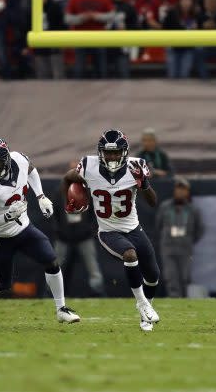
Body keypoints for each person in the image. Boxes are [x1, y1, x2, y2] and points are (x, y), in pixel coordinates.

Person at [0, 137, 81, 327]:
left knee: (51, 260)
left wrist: (40, 196)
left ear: (6, 158)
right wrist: (6, 217)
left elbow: (31, 169)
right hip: (2, 236)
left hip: (24, 229)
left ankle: (61, 309)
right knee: (2, 283)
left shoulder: (19, 160)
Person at [62, 129, 160, 331]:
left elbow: (153, 202)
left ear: (124, 152)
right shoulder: (89, 166)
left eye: (116, 153)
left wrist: (143, 184)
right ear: (101, 153)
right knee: (130, 255)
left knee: (153, 275)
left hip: (134, 228)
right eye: (108, 153)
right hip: (108, 231)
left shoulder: (136, 166)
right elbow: (67, 178)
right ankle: (142, 305)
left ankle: (145, 313)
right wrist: (70, 201)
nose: (112, 157)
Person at [51, 161, 104, 296]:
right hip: (64, 236)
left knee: (93, 267)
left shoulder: (88, 192)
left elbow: (95, 214)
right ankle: (52, 293)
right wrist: (59, 231)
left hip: (84, 236)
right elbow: (54, 214)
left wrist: (89, 230)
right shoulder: (60, 192)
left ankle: (99, 292)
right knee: (57, 265)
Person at [156, 176, 202, 298]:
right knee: (170, 276)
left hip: (185, 248)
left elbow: (199, 229)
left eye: (184, 189)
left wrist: (189, 240)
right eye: (178, 188)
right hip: (168, 247)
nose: (180, 191)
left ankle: (184, 300)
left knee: (185, 277)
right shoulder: (165, 206)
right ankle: (174, 299)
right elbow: (158, 225)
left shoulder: (193, 209)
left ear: (188, 192)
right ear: (174, 190)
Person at [64, 0, 114, 79]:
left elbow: (111, 16)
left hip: (99, 37)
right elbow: (67, 19)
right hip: (81, 37)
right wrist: (82, 18)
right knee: (79, 69)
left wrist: (96, 16)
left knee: (101, 69)